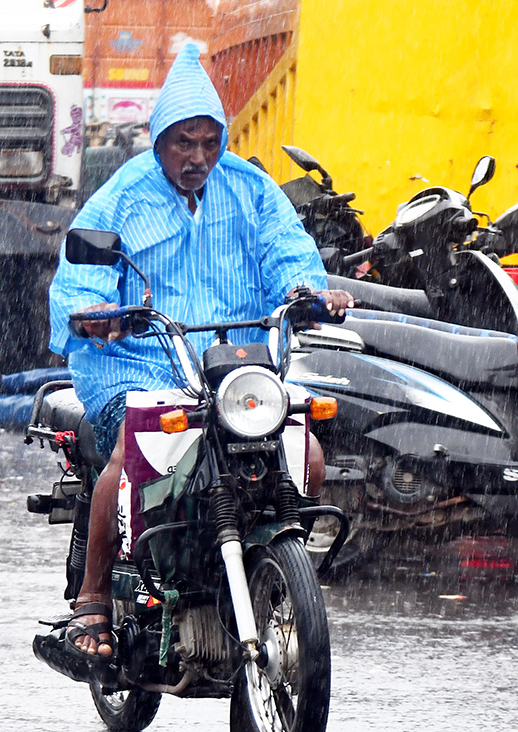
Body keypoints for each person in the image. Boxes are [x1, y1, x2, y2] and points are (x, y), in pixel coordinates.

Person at [47, 44, 353, 667]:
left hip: (233, 366)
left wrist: (312, 295)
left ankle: (274, 580)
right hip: (135, 363)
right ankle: (95, 597)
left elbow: (289, 256)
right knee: (128, 462)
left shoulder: (250, 189)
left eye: (210, 143)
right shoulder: (123, 196)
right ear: (159, 139)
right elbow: (80, 276)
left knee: (308, 458)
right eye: (184, 142)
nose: (198, 158)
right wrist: (95, 315)